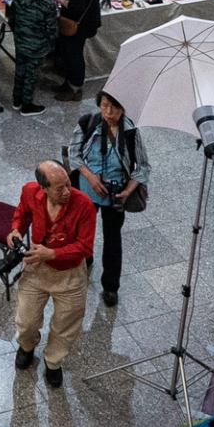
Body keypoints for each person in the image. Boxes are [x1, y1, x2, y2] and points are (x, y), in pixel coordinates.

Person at [7, 159, 96, 388]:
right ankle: (27, 346)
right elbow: (22, 213)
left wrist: (52, 253)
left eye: (68, 183)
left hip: (70, 275)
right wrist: (16, 229)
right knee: (26, 320)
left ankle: (53, 362)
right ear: (43, 188)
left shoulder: (84, 205)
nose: (67, 191)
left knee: (65, 325)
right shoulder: (30, 192)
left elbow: (85, 247)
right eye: (59, 188)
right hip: (37, 269)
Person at [73, 94, 149, 308]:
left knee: (113, 239)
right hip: (88, 189)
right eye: (104, 106)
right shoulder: (88, 123)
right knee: (83, 230)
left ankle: (110, 286)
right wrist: (90, 177)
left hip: (116, 194)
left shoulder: (131, 132)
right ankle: (85, 259)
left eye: (114, 107)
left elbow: (143, 166)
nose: (108, 112)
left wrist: (128, 190)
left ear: (123, 109)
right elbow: (74, 154)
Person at [52, 0, 102, 102]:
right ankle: (69, 83)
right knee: (70, 53)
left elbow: (75, 6)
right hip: (87, 19)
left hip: (78, 23)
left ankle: (75, 89)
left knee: (73, 55)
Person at [6, 0, 58, 116]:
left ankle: (16, 100)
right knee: (31, 73)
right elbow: (51, 28)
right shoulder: (47, 2)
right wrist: (50, 43)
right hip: (37, 43)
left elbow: (10, 12)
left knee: (20, 68)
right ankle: (27, 105)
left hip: (20, 37)